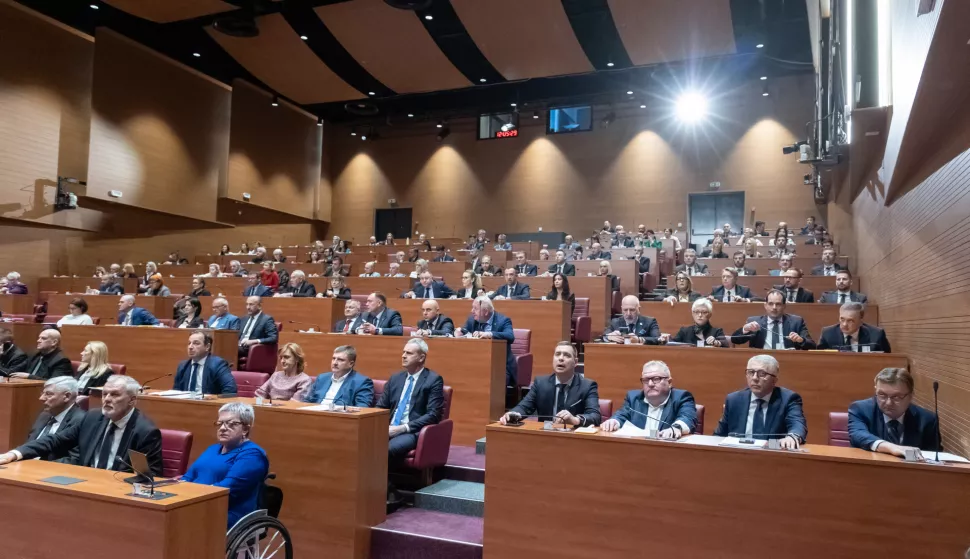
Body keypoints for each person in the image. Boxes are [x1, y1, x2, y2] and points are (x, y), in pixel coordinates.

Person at [0, 375, 163, 475]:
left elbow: (149, 476)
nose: (106, 399)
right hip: (84, 482)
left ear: (132, 400)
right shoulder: (93, 417)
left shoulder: (144, 431)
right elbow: (55, 440)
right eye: (105, 394)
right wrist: (13, 454)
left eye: (115, 395)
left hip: (116, 491)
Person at [181, 402, 269, 529]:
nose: (222, 428)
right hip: (199, 503)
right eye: (220, 423)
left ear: (245, 429)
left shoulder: (253, 455)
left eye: (231, 424)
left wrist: (190, 499)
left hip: (229, 513)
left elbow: (227, 489)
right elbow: (188, 477)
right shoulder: (212, 449)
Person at [713, 354, 807, 449]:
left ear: (774, 380)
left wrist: (792, 437)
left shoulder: (788, 399)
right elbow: (719, 435)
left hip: (773, 454)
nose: (754, 378)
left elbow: (797, 424)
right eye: (751, 372)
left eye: (762, 374)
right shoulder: (734, 399)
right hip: (738, 454)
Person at [376, 339, 444, 464]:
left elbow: (433, 414)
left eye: (409, 353)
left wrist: (403, 428)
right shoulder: (396, 378)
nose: (403, 356)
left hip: (411, 431)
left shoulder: (433, 380)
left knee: (386, 449)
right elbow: (381, 406)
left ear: (421, 357)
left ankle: (386, 483)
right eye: (403, 352)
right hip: (388, 427)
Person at [500, 342, 601, 426]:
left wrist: (575, 420)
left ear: (575, 362)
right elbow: (524, 407)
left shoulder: (587, 386)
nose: (561, 358)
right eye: (557, 354)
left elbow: (595, 416)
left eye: (566, 355)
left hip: (573, 439)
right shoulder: (541, 383)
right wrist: (513, 413)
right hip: (545, 438)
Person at [848, 368, 940, 457]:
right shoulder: (860, 409)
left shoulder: (927, 420)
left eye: (896, 397)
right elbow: (858, 435)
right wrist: (892, 448)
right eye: (882, 395)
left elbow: (933, 457)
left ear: (911, 396)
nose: (888, 403)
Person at [601, 360, 698, 437]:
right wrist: (613, 421)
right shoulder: (633, 397)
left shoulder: (681, 397)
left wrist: (676, 428)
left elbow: (687, 418)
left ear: (669, 382)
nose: (650, 384)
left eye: (656, 379)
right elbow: (621, 415)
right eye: (646, 380)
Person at [456, 297, 517, 385]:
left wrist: (490, 334)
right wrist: (459, 333)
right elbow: (464, 330)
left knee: (490, 381)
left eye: (475, 308)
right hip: (477, 363)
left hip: (500, 366)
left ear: (486, 312)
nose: (472, 311)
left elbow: (510, 336)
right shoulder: (472, 320)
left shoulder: (503, 321)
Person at [26, 377, 86, 462]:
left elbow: (74, 459)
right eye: (42, 393)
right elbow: (29, 445)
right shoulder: (44, 415)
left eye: (48, 394)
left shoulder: (81, 421)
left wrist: (37, 466)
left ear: (67, 396)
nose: (41, 398)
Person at [731, 289, 816, 350]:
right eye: (771, 304)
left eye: (778, 304)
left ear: (784, 306)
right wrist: (745, 329)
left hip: (788, 359)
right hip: (762, 361)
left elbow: (812, 346)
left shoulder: (796, 322)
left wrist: (800, 340)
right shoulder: (754, 321)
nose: (774, 308)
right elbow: (734, 340)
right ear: (765, 305)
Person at [304, 346, 374, 406]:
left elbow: (362, 409)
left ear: (351, 364)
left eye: (340, 360)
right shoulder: (322, 378)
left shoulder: (362, 382)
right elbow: (307, 401)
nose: (335, 363)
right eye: (333, 358)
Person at [174, 332, 236, 396]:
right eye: (189, 343)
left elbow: (230, 389)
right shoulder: (183, 366)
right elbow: (176, 391)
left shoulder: (218, 364)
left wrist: (213, 400)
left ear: (207, 347)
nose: (190, 347)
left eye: (196, 343)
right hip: (186, 404)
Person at [817, 302, 891, 352]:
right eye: (842, 319)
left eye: (850, 321)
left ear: (861, 321)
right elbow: (819, 359)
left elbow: (887, 359)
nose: (844, 324)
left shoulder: (876, 335)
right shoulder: (827, 334)